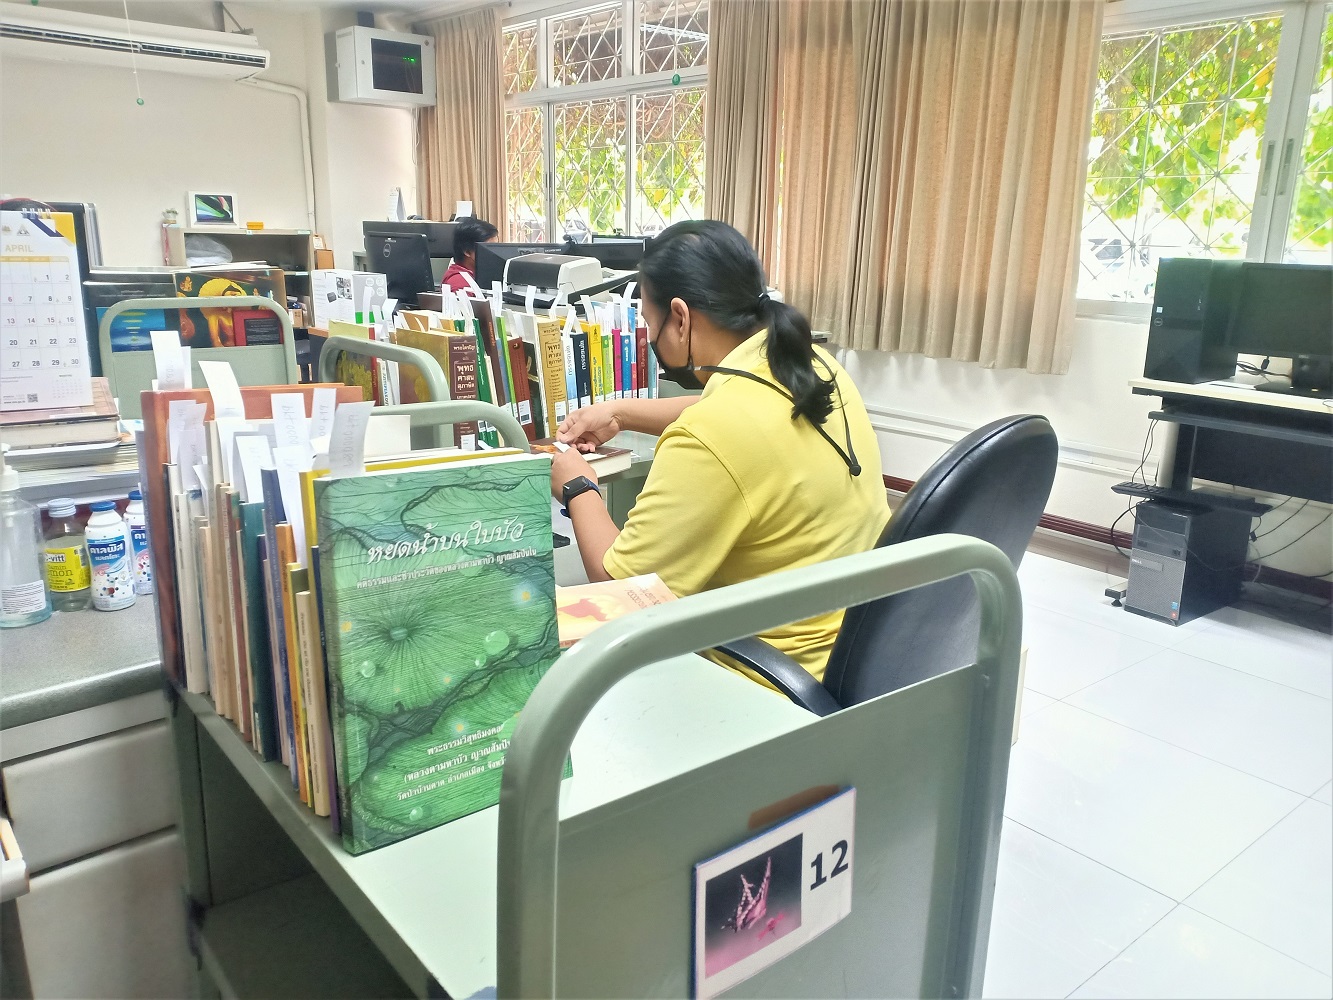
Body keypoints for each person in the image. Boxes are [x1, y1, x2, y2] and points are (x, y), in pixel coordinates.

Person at [550, 220, 890, 686]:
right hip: (851, 650)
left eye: (650, 325)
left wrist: (577, 485)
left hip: (764, 677)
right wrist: (621, 413)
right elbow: (731, 412)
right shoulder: (815, 366)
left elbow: (621, 592)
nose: (651, 339)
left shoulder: (713, 435)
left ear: (680, 317)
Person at [441, 216, 498, 293]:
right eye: (489, 248)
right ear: (467, 251)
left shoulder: (480, 275)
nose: (494, 253)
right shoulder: (459, 282)